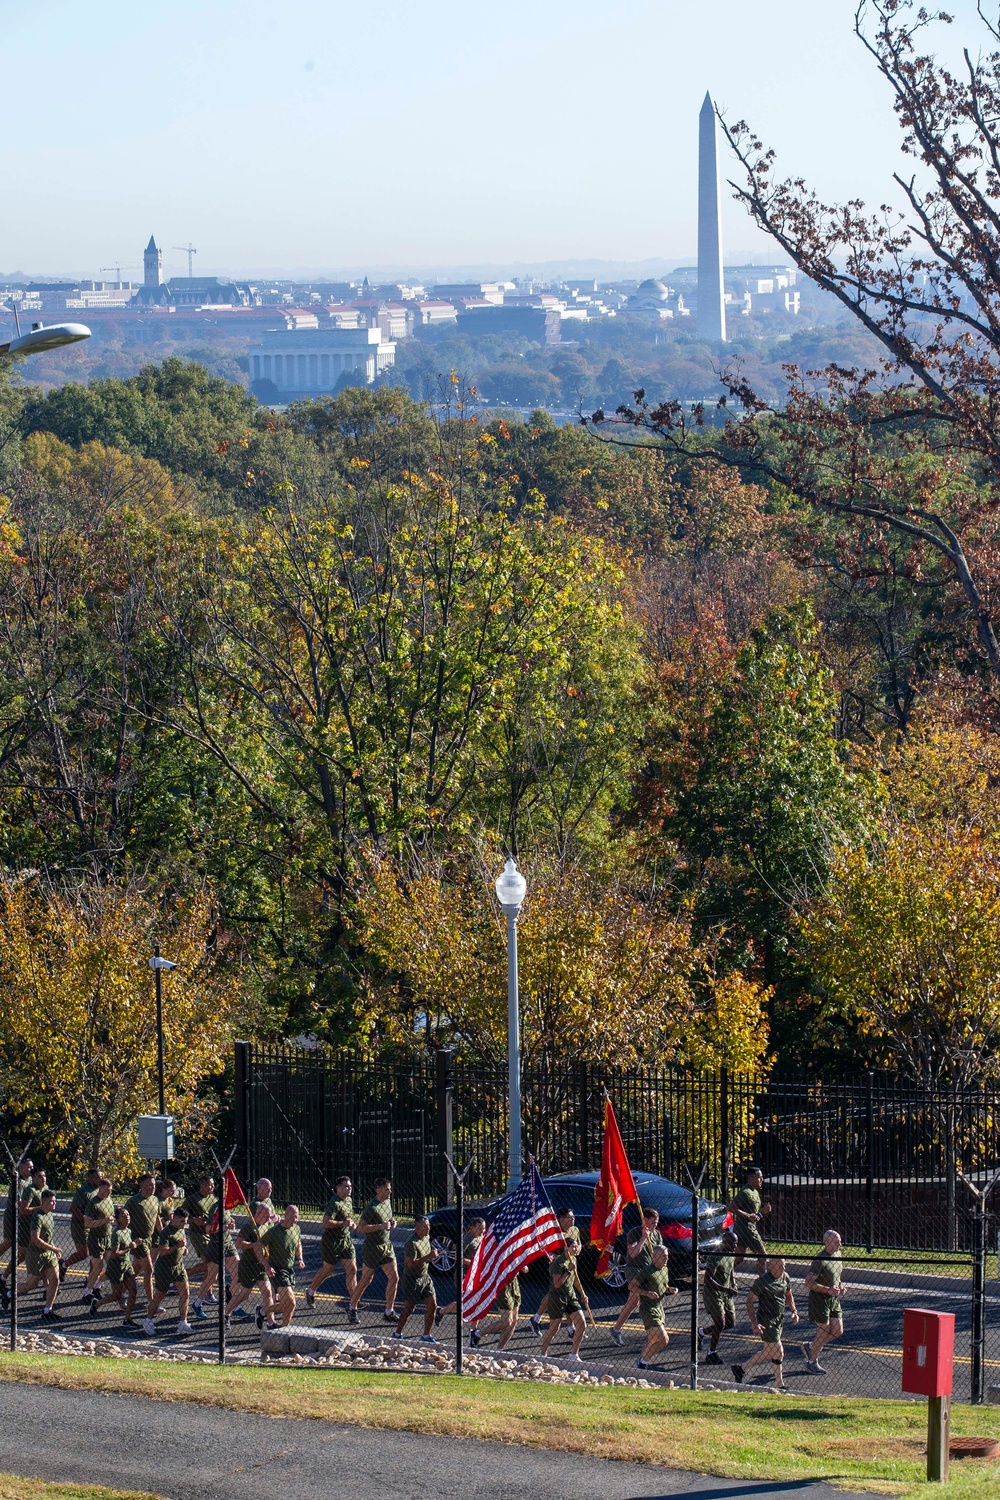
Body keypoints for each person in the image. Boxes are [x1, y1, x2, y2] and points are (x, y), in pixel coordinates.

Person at [732, 1255, 798, 1392]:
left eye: (784, 1265)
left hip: (778, 1319)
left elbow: (788, 1294)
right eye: (780, 1265)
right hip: (766, 1321)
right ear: (771, 1267)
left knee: (769, 1352)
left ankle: (741, 1368)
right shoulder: (762, 1282)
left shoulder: (785, 1276)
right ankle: (780, 1385)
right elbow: (749, 1301)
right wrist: (754, 1323)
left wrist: (794, 1310)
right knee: (778, 1351)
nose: (783, 1268)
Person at [608, 1205, 663, 1346]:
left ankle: (619, 1329)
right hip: (634, 1269)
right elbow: (632, 1253)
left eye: (656, 1223)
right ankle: (617, 1329)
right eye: (652, 1222)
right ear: (645, 1220)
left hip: (648, 1270)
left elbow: (659, 1253)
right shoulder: (634, 1233)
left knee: (639, 1302)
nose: (655, 1225)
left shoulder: (656, 1234)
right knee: (634, 1300)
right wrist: (644, 1238)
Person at [349, 1179, 398, 1324]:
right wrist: (380, 1226)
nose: (390, 1192)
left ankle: (389, 1311)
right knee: (366, 1280)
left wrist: (392, 1222)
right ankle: (352, 1307)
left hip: (386, 1246)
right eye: (387, 1189)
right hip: (372, 1248)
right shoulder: (371, 1207)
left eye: (390, 1189)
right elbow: (361, 1228)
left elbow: (389, 1218)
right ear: (378, 1189)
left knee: (394, 1277)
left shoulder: (387, 1203)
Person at [306, 1175, 357, 1311]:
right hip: (332, 1241)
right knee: (328, 1270)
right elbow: (326, 1223)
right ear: (338, 1188)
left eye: (350, 1186)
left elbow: (347, 1218)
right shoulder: (334, 1203)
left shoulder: (349, 1200)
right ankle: (311, 1291)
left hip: (345, 1240)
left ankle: (354, 1303)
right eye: (346, 1186)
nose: (349, 1188)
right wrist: (343, 1223)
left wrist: (351, 1224)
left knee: (352, 1269)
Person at [142, 1206, 193, 1337]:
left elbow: (181, 1246)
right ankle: (148, 1320)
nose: (184, 1224)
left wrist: (184, 1250)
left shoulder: (181, 1230)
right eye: (182, 1221)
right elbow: (163, 1251)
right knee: (160, 1295)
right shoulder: (166, 1232)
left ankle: (183, 1322)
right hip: (164, 1268)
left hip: (178, 1266)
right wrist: (177, 1246)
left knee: (185, 1293)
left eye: (186, 1221)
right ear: (174, 1219)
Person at [802, 1229, 846, 1375]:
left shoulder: (838, 1254)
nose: (840, 1243)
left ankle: (812, 1346)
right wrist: (828, 1289)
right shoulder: (820, 1259)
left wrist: (840, 1287)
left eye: (839, 1240)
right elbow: (808, 1282)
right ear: (827, 1243)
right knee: (824, 1330)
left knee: (838, 1331)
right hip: (819, 1299)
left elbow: (836, 1277)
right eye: (836, 1241)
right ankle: (812, 1362)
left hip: (833, 1298)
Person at [226, 1204, 276, 1330]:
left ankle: (271, 1322)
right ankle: (225, 1313)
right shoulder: (249, 1227)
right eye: (266, 1216)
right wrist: (253, 1245)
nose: (268, 1218)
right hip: (248, 1264)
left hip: (262, 1264)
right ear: (258, 1214)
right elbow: (238, 1243)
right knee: (244, 1294)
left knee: (268, 1292)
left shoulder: (266, 1225)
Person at [393, 1217, 440, 1343]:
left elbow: (426, 1256)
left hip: (425, 1277)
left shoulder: (426, 1237)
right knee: (409, 1308)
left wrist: (431, 1257)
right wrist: (428, 1257)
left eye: (428, 1225)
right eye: (425, 1227)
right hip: (412, 1280)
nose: (428, 1228)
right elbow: (410, 1264)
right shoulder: (411, 1243)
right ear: (417, 1228)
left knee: (433, 1304)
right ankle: (397, 1332)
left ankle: (426, 1335)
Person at [539, 1240, 586, 1364]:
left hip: (570, 1296)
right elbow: (557, 1284)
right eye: (573, 1247)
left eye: (577, 1247)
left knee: (581, 1324)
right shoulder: (558, 1263)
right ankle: (543, 1353)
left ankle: (574, 1355)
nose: (576, 1249)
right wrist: (568, 1271)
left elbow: (575, 1280)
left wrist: (583, 1294)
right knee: (554, 1328)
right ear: (566, 1248)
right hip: (557, 1297)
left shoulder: (573, 1260)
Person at [257, 1204, 305, 1328]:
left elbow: (298, 1243)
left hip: (289, 1270)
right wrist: (266, 1265)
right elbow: (258, 1246)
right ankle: (265, 1314)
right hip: (277, 1270)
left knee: (288, 1305)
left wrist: (300, 1258)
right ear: (286, 1215)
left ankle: (280, 1326)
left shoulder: (296, 1229)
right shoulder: (274, 1231)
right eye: (293, 1216)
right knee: (291, 1302)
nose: (296, 1219)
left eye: (297, 1216)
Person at [633, 1244, 679, 1369]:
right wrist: (647, 1293)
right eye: (663, 1257)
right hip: (648, 1309)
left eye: (667, 1256)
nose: (666, 1259)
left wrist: (669, 1289)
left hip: (659, 1308)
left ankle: (641, 1362)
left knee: (653, 1341)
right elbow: (631, 1286)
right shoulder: (647, 1271)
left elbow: (662, 1286)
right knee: (664, 1339)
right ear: (655, 1257)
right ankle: (642, 1361)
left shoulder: (665, 1270)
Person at [18, 1188, 61, 1320]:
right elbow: (35, 1239)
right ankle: (9, 1293)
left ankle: (47, 1310)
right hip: (36, 1254)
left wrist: (53, 1248)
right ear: (43, 1202)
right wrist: (53, 1249)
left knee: (55, 1279)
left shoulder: (50, 1215)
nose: (54, 1204)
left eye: (55, 1201)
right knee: (31, 1285)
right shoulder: (38, 1216)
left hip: (49, 1254)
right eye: (51, 1202)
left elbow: (48, 1237)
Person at [438, 1216, 486, 1330]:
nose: (482, 1231)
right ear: (472, 1228)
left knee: (478, 1301)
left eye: (483, 1228)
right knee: (464, 1303)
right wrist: (473, 1262)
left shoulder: (480, 1237)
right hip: (463, 1274)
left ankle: (473, 1331)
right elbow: (456, 1257)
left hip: (475, 1274)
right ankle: (441, 1311)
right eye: (480, 1229)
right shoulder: (466, 1239)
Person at [90, 1206, 137, 1322]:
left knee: (134, 1290)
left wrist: (135, 1244)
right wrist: (129, 1248)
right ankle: (96, 1304)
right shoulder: (116, 1234)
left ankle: (127, 1319)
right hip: (116, 1266)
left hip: (127, 1265)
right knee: (117, 1295)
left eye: (128, 1215)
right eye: (123, 1216)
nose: (127, 1217)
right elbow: (114, 1254)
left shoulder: (129, 1231)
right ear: (117, 1219)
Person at [699, 1228, 738, 1363]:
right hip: (713, 1293)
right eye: (733, 1244)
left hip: (726, 1292)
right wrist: (726, 1289)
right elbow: (707, 1280)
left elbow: (731, 1271)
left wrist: (734, 1284)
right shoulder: (716, 1256)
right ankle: (711, 1353)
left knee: (730, 1323)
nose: (735, 1246)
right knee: (720, 1323)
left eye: (736, 1243)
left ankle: (701, 1333)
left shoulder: (731, 1254)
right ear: (725, 1243)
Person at [192, 1209, 239, 1320]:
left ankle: (235, 1306)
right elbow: (209, 1229)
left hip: (228, 1244)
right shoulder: (215, 1208)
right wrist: (226, 1227)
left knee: (237, 1274)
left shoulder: (227, 1207)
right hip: (216, 1245)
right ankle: (197, 1304)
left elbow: (228, 1221)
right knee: (212, 1277)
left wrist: (231, 1224)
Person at [0, 1158, 33, 1306]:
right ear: (20, 1169)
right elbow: (20, 1203)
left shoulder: (31, 1180)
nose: (30, 1169)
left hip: (24, 1221)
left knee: (23, 1252)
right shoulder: (18, 1182)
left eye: (32, 1167)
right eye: (28, 1167)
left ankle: (3, 1276)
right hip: (13, 1217)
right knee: (9, 1242)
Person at [124, 1174, 160, 1307]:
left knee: (136, 1268)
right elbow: (122, 1219)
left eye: (154, 1185)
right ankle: (151, 1302)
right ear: (142, 1186)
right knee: (149, 1269)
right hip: (138, 1239)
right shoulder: (133, 1201)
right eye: (150, 1185)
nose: (153, 1187)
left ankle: (119, 1293)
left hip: (149, 1239)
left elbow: (156, 1218)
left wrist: (162, 1234)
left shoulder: (155, 1200)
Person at [728, 1166, 771, 1276]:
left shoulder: (755, 1192)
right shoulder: (745, 1192)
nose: (762, 1180)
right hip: (746, 1228)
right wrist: (747, 1216)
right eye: (759, 1177)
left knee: (739, 1258)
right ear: (751, 1178)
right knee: (762, 1255)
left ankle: (723, 1274)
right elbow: (732, 1207)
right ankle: (763, 1282)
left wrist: (763, 1212)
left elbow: (753, 1214)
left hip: (744, 1228)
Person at [83, 1177, 115, 1299]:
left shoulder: (109, 1200)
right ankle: (88, 1292)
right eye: (108, 1190)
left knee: (113, 1265)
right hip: (95, 1239)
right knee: (98, 1266)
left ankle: (97, 1285)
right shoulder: (93, 1203)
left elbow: (111, 1215)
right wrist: (104, 1221)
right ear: (100, 1189)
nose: (110, 1193)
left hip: (108, 1238)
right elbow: (87, 1223)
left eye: (111, 1190)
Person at [66, 1168, 102, 1276]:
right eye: (96, 1178)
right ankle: (63, 1265)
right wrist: (85, 1221)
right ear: (90, 1178)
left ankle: (91, 1277)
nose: (99, 1180)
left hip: (94, 1226)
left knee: (95, 1253)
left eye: (100, 1177)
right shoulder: (84, 1191)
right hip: (80, 1226)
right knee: (84, 1253)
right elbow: (73, 1208)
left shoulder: (99, 1190)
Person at [182, 1175, 217, 1282]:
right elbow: (180, 1215)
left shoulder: (214, 1198)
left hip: (212, 1234)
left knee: (212, 1264)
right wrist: (194, 1220)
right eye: (209, 1185)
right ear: (202, 1185)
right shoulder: (192, 1199)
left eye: (213, 1185)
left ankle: (207, 1292)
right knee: (208, 1262)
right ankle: (183, 1278)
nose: (212, 1187)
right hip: (198, 1234)